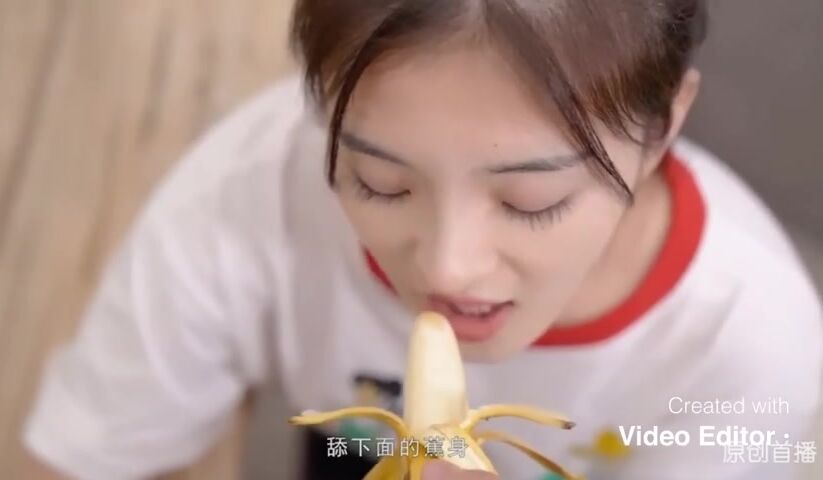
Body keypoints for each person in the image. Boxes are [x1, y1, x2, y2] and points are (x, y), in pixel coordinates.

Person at [21, 0, 823, 479]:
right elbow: (89, 451)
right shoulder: (249, 194)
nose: (446, 267)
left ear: (662, 125)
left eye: (530, 200)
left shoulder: (750, 349)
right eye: (380, 183)